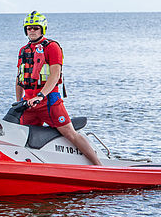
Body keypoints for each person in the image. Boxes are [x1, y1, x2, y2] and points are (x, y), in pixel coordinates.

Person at [16, 11, 102, 166]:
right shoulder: (24, 50)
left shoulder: (52, 47)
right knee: (20, 136)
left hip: (49, 102)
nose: (32, 31)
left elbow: (54, 75)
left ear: (42, 29)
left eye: (36, 27)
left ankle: (98, 165)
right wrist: (18, 103)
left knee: (69, 133)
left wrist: (41, 96)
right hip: (28, 104)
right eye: (29, 28)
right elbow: (19, 78)